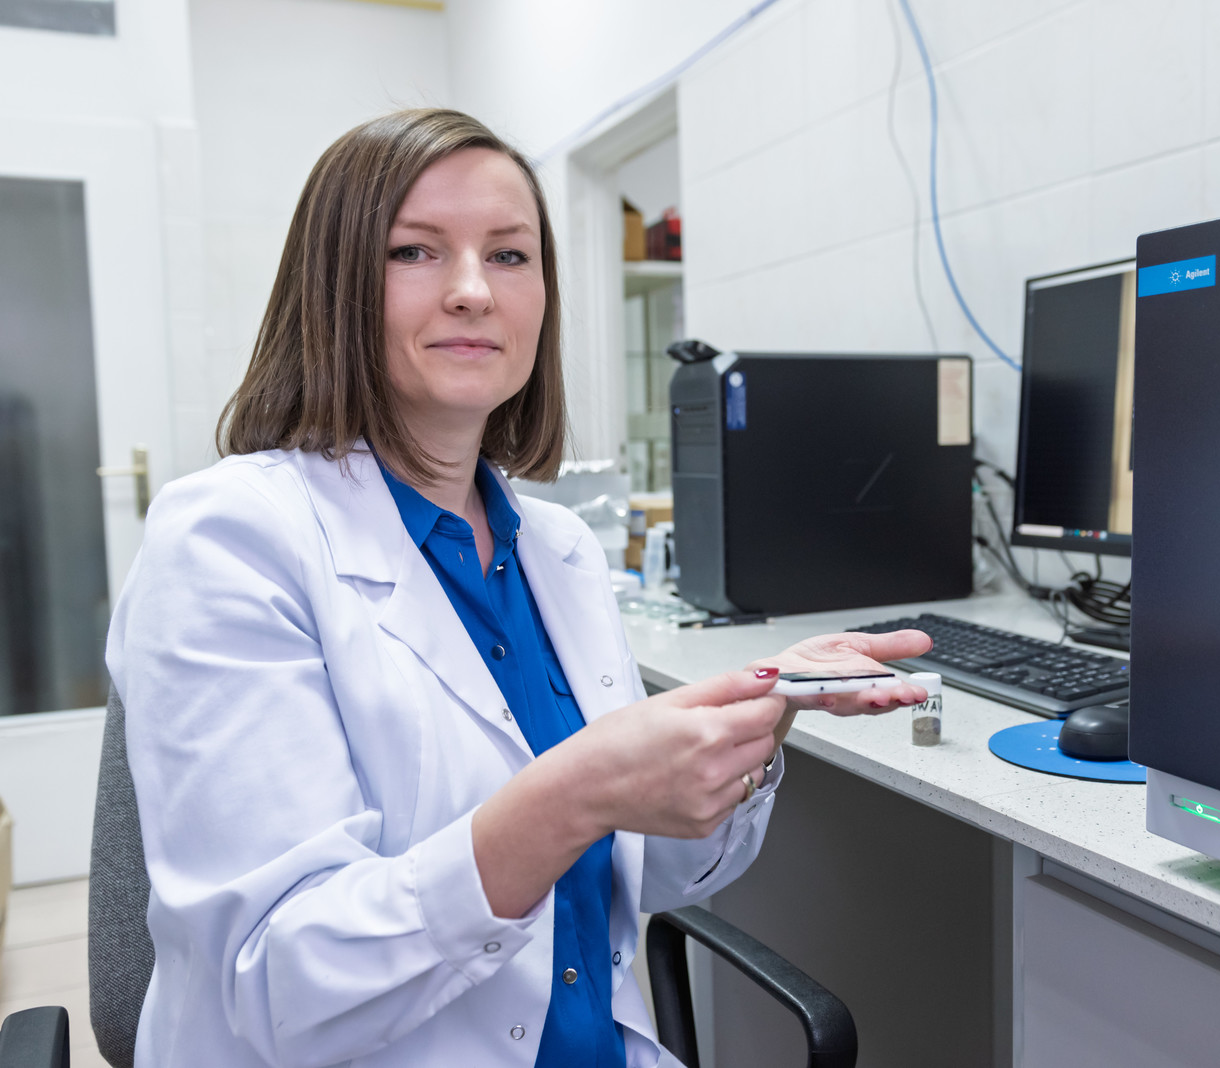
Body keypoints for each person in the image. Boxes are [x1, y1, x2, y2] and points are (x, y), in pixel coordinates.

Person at [105, 108, 931, 1068]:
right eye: (414, 251)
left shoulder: (557, 549)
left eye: (509, 256)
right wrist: (574, 795)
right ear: (333, 288)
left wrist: (752, 721)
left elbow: (655, 876)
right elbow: (276, 983)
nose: (472, 292)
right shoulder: (228, 542)